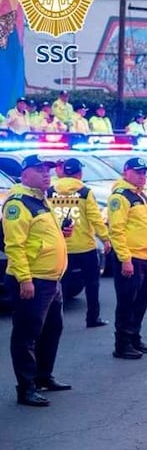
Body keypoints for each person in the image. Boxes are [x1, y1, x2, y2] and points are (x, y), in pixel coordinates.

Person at [3, 155, 70, 406]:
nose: (45, 174)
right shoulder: (19, 203)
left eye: (48, 170)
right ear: (24, 174)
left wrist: (61, 233)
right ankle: (26, 387)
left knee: (52, 330)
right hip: (34, 280)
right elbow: (14, 245)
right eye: (39, 169)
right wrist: (24, 279)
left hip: (51, 279)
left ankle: (43, 376)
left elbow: (38, 236)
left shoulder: (40, 199)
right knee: (27, 335)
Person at [49, 157, 111, 328]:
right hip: (85, 246)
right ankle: (93, 318)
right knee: (92, 284)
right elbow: (95, 218)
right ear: (79, 173)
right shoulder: (84, 192)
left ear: (63, 172)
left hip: (62, 246)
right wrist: (105, 238)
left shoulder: (51, 191)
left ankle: (55, 321)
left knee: (61, 285)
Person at [107, 157, 147, 359]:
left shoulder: (140, 195)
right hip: (130, 257)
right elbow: (116, 230)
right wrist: (125, 259)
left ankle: (135, 337)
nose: (142, 176)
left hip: (143, 256)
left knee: (141, 302)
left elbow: (145, 227)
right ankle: (122, 344)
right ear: (126, 172)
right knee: (127, 302)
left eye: (144, 173)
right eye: (137, 172)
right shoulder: (121, 197)